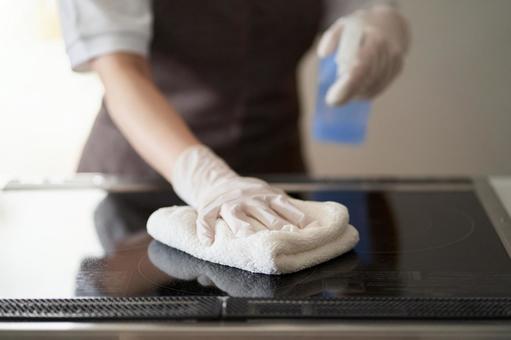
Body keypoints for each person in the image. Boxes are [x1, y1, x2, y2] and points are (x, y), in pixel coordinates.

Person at [58, 0, 410, 245]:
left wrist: (377, 19)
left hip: (276, 178)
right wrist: (205, 177)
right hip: (141, 182)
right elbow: (120, 72)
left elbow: (357, 8)